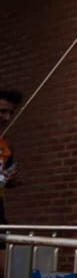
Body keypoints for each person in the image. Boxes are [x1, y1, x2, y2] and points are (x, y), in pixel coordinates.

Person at [0, 87, 23, 224]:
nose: (7, 117)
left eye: (11, 113)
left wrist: (12, 180)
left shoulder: (6, 146)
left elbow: (6, 178)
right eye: (2, 111)